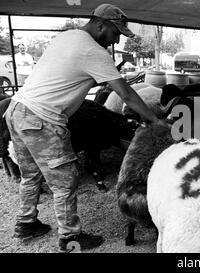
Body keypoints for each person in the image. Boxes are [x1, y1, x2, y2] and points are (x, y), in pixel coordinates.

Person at [5, 3, 167, 252]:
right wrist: (156, 122)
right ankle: (70, 236)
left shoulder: (68, 36)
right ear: (101, 25)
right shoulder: (93, 51)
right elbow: (126, 94)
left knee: (31, 174)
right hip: (41, 119)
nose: (114, 41)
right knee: (65, 180)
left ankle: (26, 223)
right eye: (115, 34)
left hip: (17, 110)